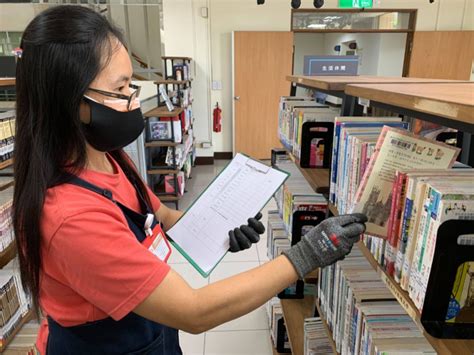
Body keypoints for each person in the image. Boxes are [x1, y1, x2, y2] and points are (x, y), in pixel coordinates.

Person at [13, 6, 367, 355]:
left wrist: (220, 233)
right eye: (121, 89)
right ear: (73, 102)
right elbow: (194, 310)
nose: (134, 101)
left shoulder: (108, 158)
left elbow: (163, 220)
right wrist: (304, 256)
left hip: (149, 333)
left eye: (131, 85)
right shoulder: (71, 218)